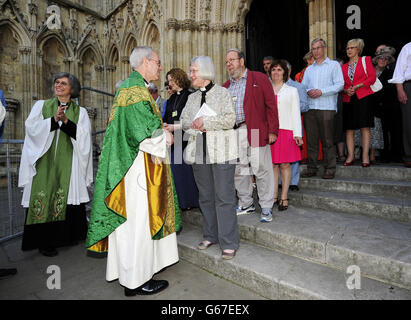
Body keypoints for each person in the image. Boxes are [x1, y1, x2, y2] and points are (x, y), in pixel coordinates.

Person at [86, 46, 181, 296]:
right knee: (138, 223)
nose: (160, 67)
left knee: (131, 225)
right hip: (137, 166)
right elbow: (141, 133)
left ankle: (131, 277)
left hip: (132, 164)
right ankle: (137, 281)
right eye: (158, 62)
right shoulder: (136, 91)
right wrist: (166, 138)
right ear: (146, 62)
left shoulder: (131, 87)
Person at [18, 72, 93, 257]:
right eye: (57, 82)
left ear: (72, 89)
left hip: (70, 162)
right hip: (44, 160)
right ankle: (44, 242)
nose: (58, 85)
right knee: (44, 196)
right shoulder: (41, 106)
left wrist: (66, 121)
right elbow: (31, 129)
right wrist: (53, 120)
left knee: (67, 196)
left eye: (64, 83)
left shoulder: (80, 112)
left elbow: (83, 137)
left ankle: (67, 237)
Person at [181, 56, 239, 259]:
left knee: (224, 198)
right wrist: (194, 123)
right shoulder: (192, 97)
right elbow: (184, 120)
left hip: (222, 152)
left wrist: (206, 122)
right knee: (205, 197)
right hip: (199, 151)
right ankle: (210, 235)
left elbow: (230, 119)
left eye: (194, 70)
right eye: (190, 71)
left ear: (205, 72)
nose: (191, 74)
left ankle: (229, 242)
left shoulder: (223, 93)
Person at [223, 48, 279, 223]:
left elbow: (271, 106)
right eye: (226, 62)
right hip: (234, 132)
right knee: (240, 170)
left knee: (261, 168)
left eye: (231, 60)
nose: (229, 64)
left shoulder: (259, 79)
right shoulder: (226, 86)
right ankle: (246, 203)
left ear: (241, 61)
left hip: (254, 130)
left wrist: (272, 131)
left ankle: (267, 206)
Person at [301, 38, 344, 179]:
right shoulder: (309, 69)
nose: (316, 51)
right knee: (311, 141)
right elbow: (303, 87)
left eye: (318, 48)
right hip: (311, 108)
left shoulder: (333, 65)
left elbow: (339, 85)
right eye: (313, 48)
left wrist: (321, 91)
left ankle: (330, 169)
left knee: (327, 140)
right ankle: (312, 168)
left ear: (325, 48)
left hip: (326, 107)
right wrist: (308, 91)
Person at [163, 68, 199, 210]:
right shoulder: (172, 98)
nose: (169, 83)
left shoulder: (190, 96)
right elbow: (167, 116)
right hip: (174, 140)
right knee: (177, 173)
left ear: (179, 78)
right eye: (168, 80)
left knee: (187, 173)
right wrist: (165, 124)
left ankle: (192, 201)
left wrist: (174, 126)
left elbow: (191, 119)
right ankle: (182, 203)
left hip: (187, 139)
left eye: (171, 80)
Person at [269, 60, 303, 212]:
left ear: (285, 72)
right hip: (271, 132)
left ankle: (284, 197)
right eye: (273, 70)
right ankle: (274, 196)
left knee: (285, 164)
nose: (276, 72)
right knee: (273, 165)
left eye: (279, 70)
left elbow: (296, 113)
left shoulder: (291, 91)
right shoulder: (266, 89)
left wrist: (298, 134)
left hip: (286, 131)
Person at [341, 39, 376, 168]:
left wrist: (357, 86)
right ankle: (350, 156)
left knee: (364, 127)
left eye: (352, 47)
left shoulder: (365, 60)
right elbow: (341, 84)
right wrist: (345, 90)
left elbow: (372, 78)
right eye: (347, 48)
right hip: (348, 99)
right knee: (349, 129)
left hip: (364, 97)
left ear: (358, 49)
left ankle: (365, 156)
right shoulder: (343, 66)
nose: (349, 50)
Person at [278, 60, 308, 192]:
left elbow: (305, 106)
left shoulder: (298, 87)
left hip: (292, 124)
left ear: (288, 71)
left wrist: (291, 106)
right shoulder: (272, 86)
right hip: (278, 125)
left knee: (292, 155)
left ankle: (294, 182)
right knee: (279, 156)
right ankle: (280, 181)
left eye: (281, 69)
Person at [371, 46, 402, 163]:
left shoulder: (391, 72)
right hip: (374, 106)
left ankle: (395, 155)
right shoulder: (370, 71)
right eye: (381, 58)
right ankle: (383, 155)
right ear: (377, 59)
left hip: (389, 105)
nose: (383, 60)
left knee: (394, 131)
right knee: (380, 132)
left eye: (386, 59)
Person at [389, 42, 411, 168]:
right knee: (409, 122)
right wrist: (400, 89)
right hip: (409, 86)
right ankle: (409, 156)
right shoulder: (407, 47)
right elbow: (399, 71)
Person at [334, 58, 346, 163]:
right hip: (334, 104)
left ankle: (342, 154)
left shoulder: (347, 75)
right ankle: (334, 154)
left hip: (345, 105)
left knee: (341, 128)